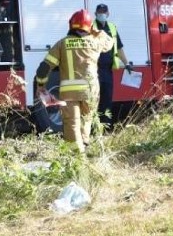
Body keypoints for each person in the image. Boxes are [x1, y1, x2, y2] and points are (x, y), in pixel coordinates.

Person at [34, 9, 113, 153]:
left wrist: (41, 85)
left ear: (71, 25)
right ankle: (84, 143)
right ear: (89, 26)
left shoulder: (62, 44)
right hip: (91, 92)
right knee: (86, 120)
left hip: (69, 93)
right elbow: (109, 42)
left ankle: (77, 157)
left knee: (72, 124)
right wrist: (97, 31)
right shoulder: (95, 42)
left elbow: (44, 68)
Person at [92, 3, 132, 132]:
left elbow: (118, 48)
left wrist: (126, 63)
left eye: (104, 12)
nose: (101, 14)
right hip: (94, 71)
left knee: (107, 102)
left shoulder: (112, 28)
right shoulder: (90, 28)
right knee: (94, 102)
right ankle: (94, 130)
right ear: (95, 14)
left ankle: (105, 130)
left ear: (108, 14)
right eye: (99, 12)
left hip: (107, 71)